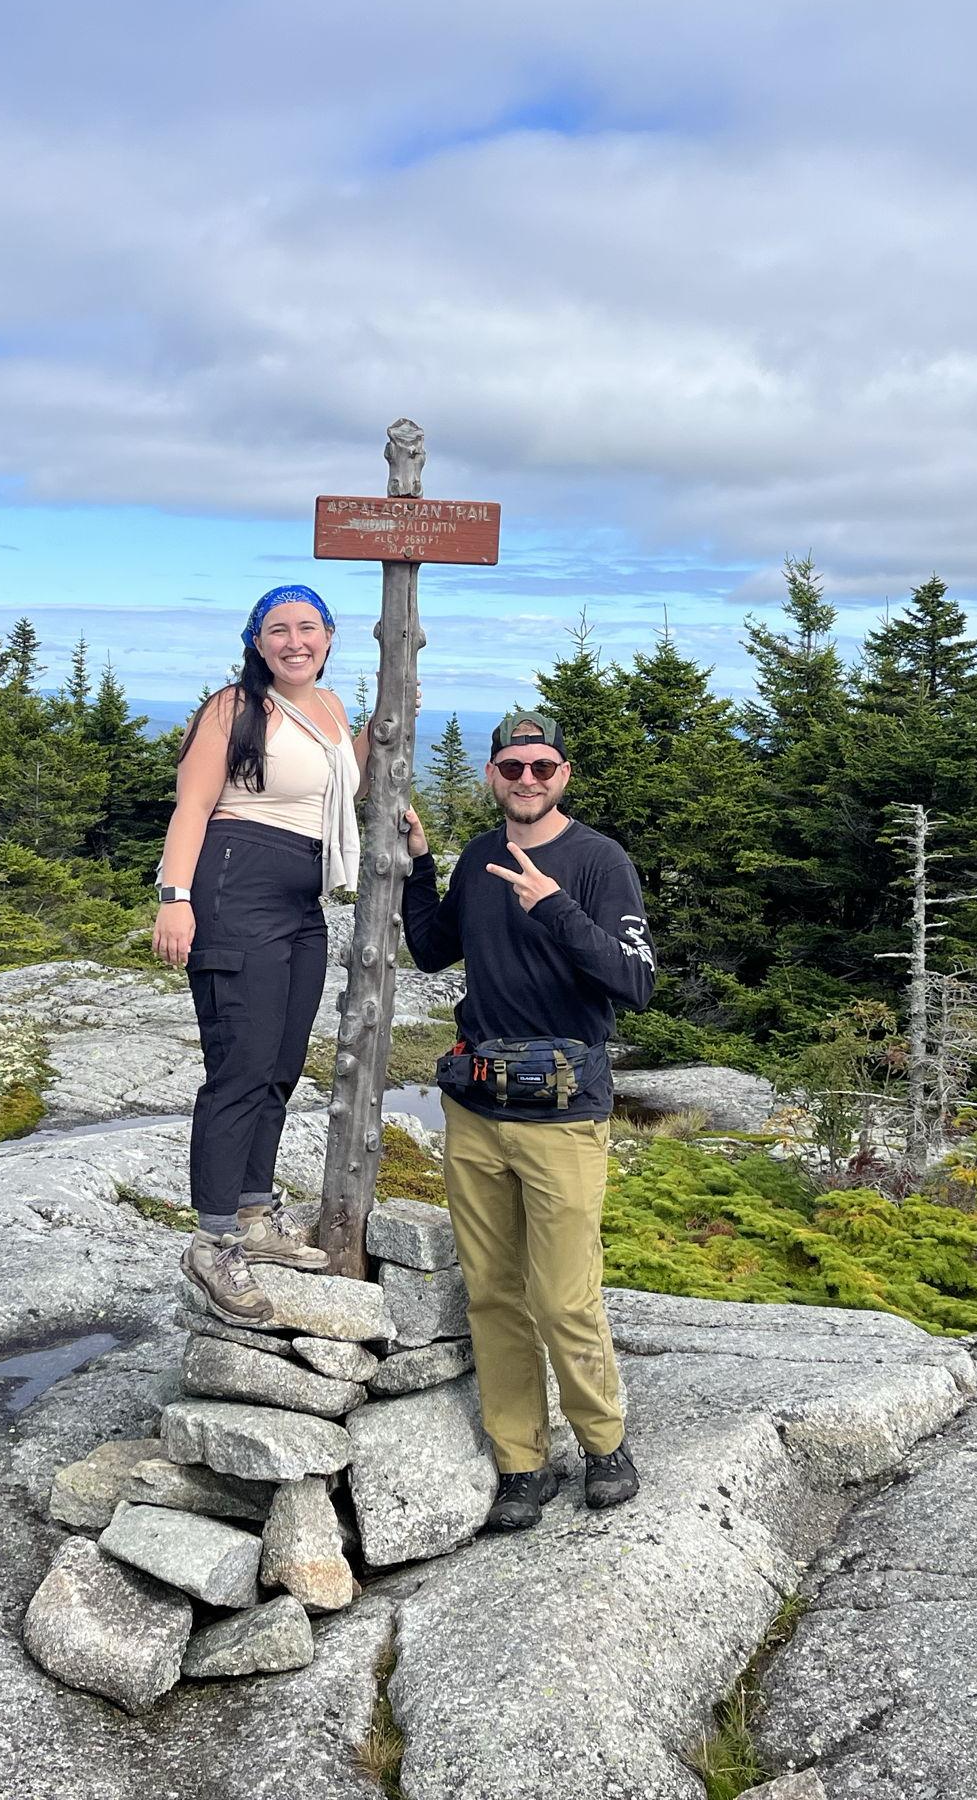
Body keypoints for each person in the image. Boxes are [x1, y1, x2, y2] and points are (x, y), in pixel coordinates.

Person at [401, 708, 656, 1528]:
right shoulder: (479, 856)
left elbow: (635, 981)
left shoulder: (598, 861)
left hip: (563, 1114)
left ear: (564, 776)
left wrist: (552, 906)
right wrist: (420, 866)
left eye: (542, 767)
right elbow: (433, 950)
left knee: (564, 1296)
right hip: (475, 1107)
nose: (527, 781)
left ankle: (604, 1445)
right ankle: (521, 1463)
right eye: (512, 768)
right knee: (492, 1295)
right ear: (492, 776)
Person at [152, 584, 372, 1324]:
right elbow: (193, 804)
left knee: (278, 1065)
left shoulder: (332, 710)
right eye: (276, 629)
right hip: (234, 882)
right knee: (240, 1066)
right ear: (256, 642)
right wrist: (174, 896)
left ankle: (254, 1212)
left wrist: (386, 727)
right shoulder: (233, 707)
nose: (293, 641)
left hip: (302, 897)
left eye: (307, 627)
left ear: (330, 636)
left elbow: (345, 782)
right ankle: (213, 1240)